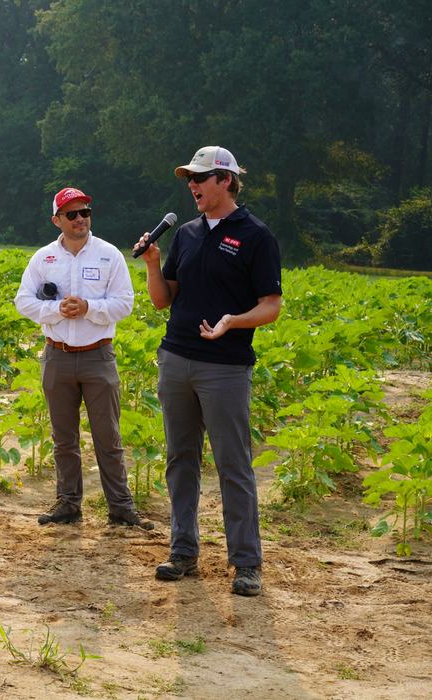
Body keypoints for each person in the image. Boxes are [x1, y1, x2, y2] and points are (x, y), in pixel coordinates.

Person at [133, 146, 282, 596]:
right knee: (181, 459)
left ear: (226, 181)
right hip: (176, 358)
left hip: (225, 367)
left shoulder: (256, 235)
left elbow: (271, 306)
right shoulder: (189, 234)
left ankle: (246, 563)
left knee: (233, 463)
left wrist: (233, 322)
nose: (192, 186)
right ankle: (183, 551)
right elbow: (163, 300)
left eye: (200, 178)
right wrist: (153, 264)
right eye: (189, 180)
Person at [15, 187, 153, 530]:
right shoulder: (43, 258)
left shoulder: (108, 255)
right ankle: (68, 504)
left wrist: (89, 308)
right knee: (64, 438)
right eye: (72, 214)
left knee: (108, 437)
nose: (81, 219)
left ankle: (121, 509)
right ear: (56, 220)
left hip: (98, 356)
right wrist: (56, 309)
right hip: (57, 356)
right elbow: (23, 302)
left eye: (85, 212)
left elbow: (125, 303)